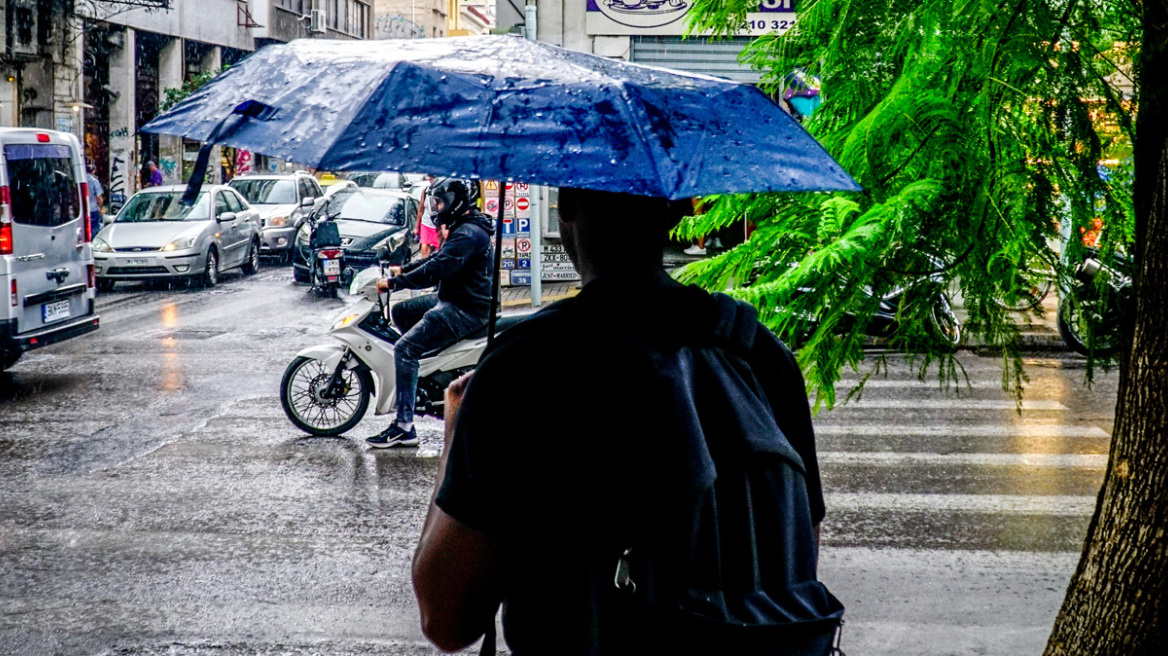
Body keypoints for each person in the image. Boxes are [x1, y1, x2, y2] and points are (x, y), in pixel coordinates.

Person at [412, 188, 827, 654]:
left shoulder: (528, 365)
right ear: (676, 209)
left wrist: (453, 440)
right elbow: (799, 556)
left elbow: (446, 619)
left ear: (564, 206)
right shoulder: (760, 354)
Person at [365, 177, 494, 449]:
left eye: (440, 202)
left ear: (456, 202)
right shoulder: (462, 227)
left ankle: (404, 427)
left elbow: (436, 271)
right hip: (455, 298)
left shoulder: (469, 235)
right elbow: (434, 260)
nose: (435, 208)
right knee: (401, 311)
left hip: (465, 308)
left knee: (405, 349)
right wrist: (402, 270)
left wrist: (395, 283)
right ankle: (423, 372)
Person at [415, 177, 442, 257]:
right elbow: (420, 210)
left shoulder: (441, 191)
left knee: (438, 251)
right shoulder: (426, 191)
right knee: (424, 248)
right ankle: (424, 267)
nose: (430, 178)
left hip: (437, 226)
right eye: (429, 177)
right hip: (426, 223)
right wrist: (416, 227)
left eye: (432, 177)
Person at [85, 161, 104, 237]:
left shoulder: (80, 179)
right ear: (93, 171)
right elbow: (99, 197)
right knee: (94, 228)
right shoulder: (94, 181)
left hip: (82, 210)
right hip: (93, 209)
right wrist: (101, 208)